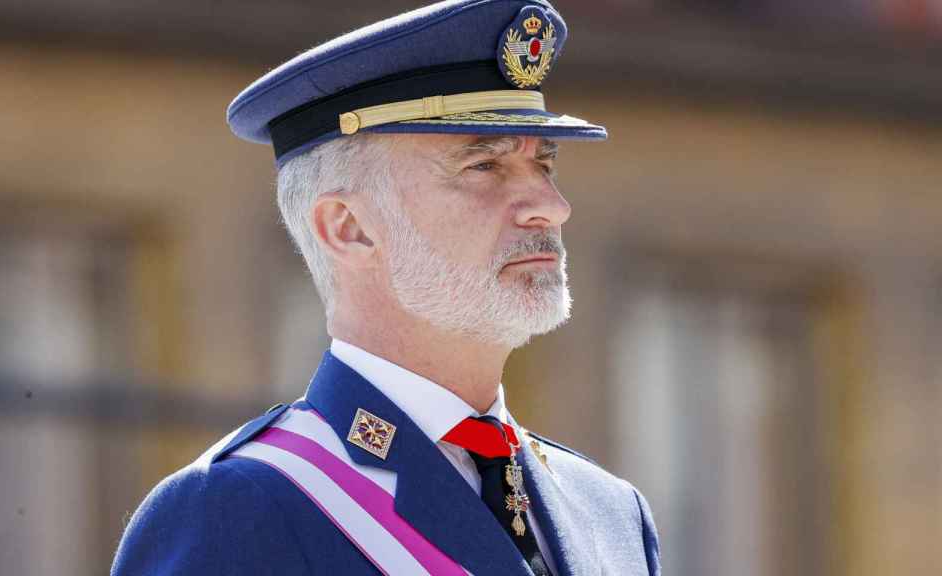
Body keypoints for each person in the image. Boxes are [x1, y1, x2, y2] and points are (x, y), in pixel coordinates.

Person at [111, 1, 660, 574]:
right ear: (347, 228)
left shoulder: (610, 513)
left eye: (544, 166)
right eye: (484, 168)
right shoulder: (239, 508)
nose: (552, 206)